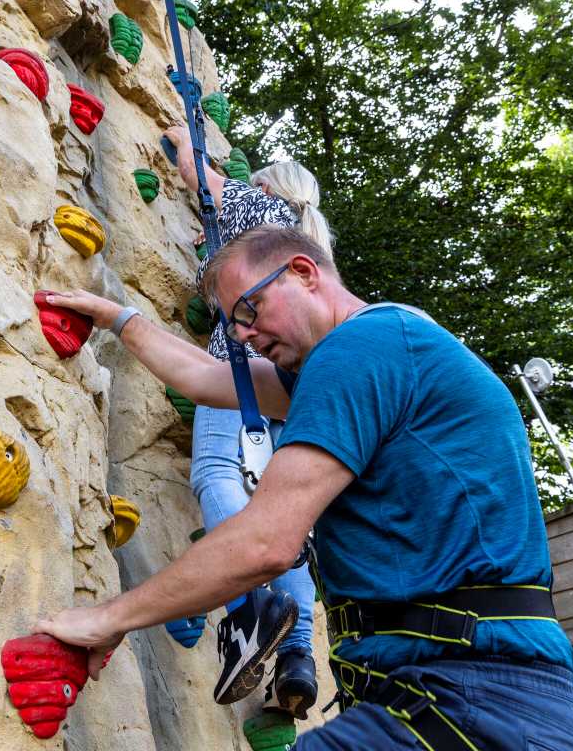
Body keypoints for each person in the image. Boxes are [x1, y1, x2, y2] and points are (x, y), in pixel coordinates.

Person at [35, 226, 573, 749]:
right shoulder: (382, 354)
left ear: (303, 272)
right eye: (233, 325)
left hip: (470, 698)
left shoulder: (361, 347)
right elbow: (206, 379)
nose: (244, 334)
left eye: (249, 310)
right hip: (466, 698)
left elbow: (264, 545)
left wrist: (106, 620)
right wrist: (118, 317)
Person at [164, 125, 325, 716]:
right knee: (285, 511)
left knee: (216, 472)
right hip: (299, 380)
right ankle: (298, 653)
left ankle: (252, 607)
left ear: (269, 187)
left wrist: (182, 137)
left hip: (246, 360)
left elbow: (200, 182)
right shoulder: (310, 241)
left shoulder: (261, 210)